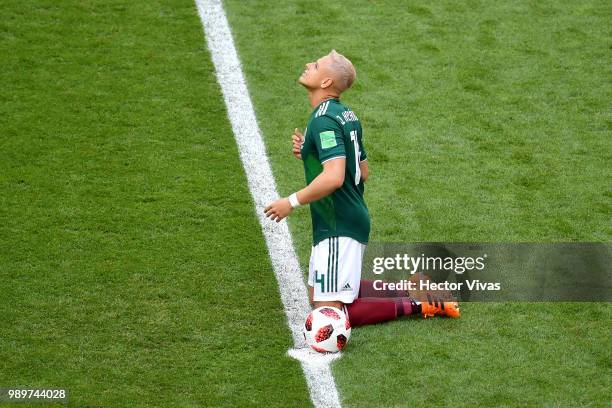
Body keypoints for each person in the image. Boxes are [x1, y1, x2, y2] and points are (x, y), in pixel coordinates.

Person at [264, 50, 459, 326]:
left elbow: (333, 178)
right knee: (316, 295)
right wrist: (310, 150)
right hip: (347, 218)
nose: (309, 64)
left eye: (316, 65)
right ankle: (408, 289)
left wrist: (291, 202)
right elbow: (362, 171)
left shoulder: (323, 119)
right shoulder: (344, 114)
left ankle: (419, 304)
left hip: (338, 223)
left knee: (328, 316)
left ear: (325, 82)